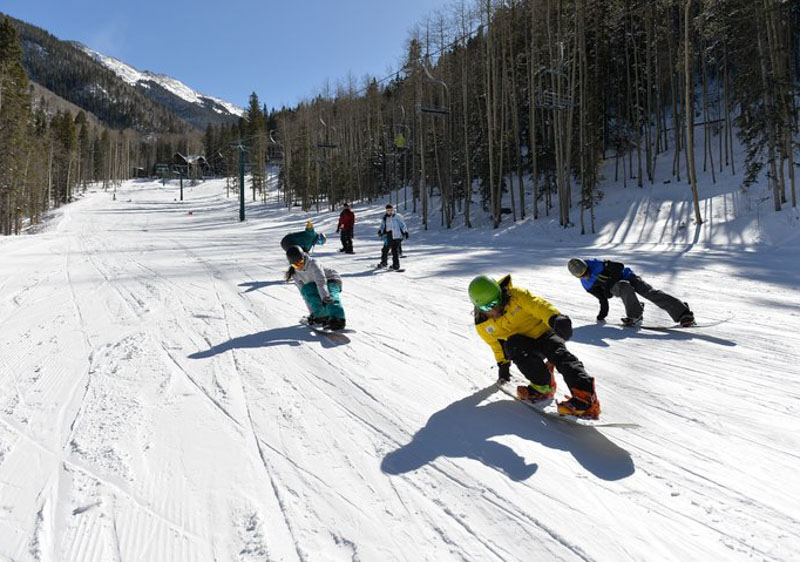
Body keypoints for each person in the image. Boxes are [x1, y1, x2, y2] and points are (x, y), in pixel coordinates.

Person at [468, 274, 601, 419]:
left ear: (500, 294)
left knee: (559, 354)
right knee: (512, 345)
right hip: (525, 346)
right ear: (478, 308)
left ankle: (585, 397)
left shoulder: (516, 296)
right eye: (486, 307)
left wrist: (555, 317)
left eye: (495, 302)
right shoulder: (483, 325)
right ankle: (542, 386)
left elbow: (538, 305)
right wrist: (503, 365)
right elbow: (496, 345)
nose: (493, 310)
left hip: (544, 334)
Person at [567, 258, 695, 327]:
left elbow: (619, 266)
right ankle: (635, 314)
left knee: (649, 292)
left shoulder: (596, 263)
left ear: (586, 265)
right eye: (583, 275)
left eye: (587, 271)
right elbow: (602, 298)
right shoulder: (587, 285)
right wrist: (602, 314)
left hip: (627, 275)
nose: (587, 275)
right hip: (618, 286)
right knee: (624, 287)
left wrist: (608, 286)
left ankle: (683, 313)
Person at [285, 245, 346, 330]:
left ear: (304, 257)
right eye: (295, 265)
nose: (299, 266)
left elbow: (321, 282)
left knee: (331, 296)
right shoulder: (295, 274)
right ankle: (322, 316)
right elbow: (305, 295)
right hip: (315, 284)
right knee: (307, 290)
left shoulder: (313, 264)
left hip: (331, 278)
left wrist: (324, 296)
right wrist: (313, 313)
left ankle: (338, 320)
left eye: (300, 262)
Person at [376, 204, 408, 270]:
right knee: (385, 249)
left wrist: (405, 232)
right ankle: (384, 262)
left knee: (394, 250)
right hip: (388, 235)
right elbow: (382, 226)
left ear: (393, 210)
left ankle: (396, 265)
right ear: (386, 211)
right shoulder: (385, 218)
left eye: (391, 210)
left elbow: (402, 225)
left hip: (396, 236)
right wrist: (380, 231)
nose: (389, 211)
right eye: (388, 210)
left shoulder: (397, 217)